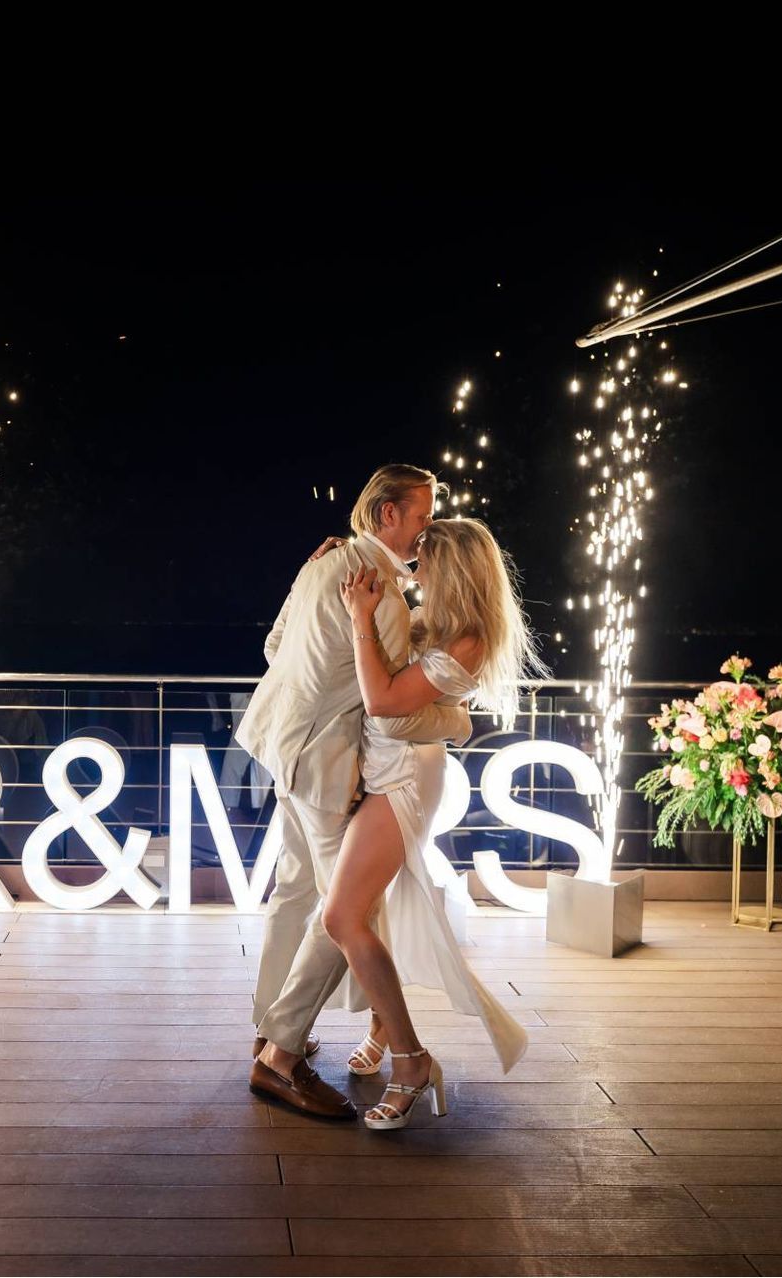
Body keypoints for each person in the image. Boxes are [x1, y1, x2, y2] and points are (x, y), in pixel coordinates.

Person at [238, 465, 472, 1119]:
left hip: (276, 744)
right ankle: (278, 1056)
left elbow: (273, 644)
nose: (428, 525)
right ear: (387, 515)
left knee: (295, 895)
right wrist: (457, 718)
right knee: (342, 916)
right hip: (322, 764)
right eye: (423, 513)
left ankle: (268, 1027)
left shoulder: (324, 565)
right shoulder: (384, 598)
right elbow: (390, 707)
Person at [324, 516, 544, 1130]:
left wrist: (362, 619)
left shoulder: (469, 639)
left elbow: (384, 701)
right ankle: (380, 1026)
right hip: (390, 767)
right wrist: (338, 562)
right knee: (376, 910)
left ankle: (411, 1061)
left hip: (407, 779)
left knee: (341, 915)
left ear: (456, 574)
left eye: (425, 565)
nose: (413, 573)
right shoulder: (434, 625)